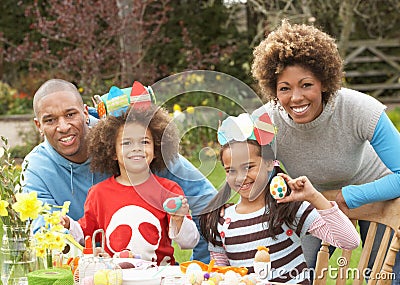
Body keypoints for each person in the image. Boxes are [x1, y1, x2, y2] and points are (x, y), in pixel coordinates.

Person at [251, 19, 400, 282]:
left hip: (376, 191)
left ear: (324, 82)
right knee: (293, 274)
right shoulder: (265, 123)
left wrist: (345, 196)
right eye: (284, 88)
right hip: (311, 199)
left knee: (381, 276)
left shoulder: (360, 110)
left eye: (306, 85)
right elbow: (254, 177)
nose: (296, 98)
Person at [22, 79, 216, 263]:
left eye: (70, 114)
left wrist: (198, 268)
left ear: (85, 112)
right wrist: (87, 259)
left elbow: (207, 201)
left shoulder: (131, 138)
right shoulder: (36, 169)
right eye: (50, 120)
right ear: (38, 125)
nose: (63, 127)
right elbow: (47, 233)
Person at [199, 113, 360, 284]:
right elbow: (222, 275)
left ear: (269, 163)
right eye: (231, 170)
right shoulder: (222, 221)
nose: (240, 177)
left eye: (248, 167)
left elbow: (349, 241)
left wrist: (314, 197)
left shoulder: (287, 209)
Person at [61, 105, 199, 265]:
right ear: (112, 152)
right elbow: (86, 235)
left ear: (156, 149)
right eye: (126, 143)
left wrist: (179, 218)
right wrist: (69, 224)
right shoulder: (99, 193)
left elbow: (189, 242)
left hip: (159, 276)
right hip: (117, 278)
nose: (136, 148)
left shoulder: (168, 190)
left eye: (145, 141)